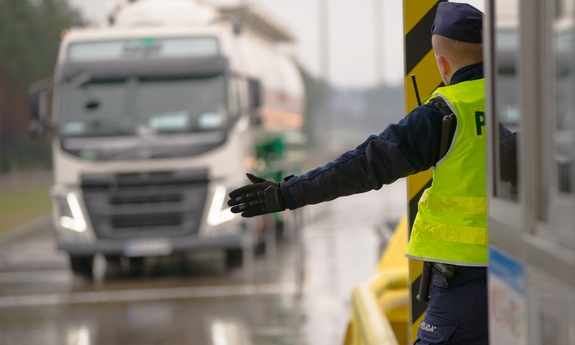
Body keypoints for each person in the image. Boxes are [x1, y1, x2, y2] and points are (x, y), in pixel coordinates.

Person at [228, 3, 508, 344]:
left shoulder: (445, 114)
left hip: (464, 289)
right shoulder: (523, 104)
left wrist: (287, 193)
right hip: (525, 277)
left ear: (441, 63)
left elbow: (362, 166)